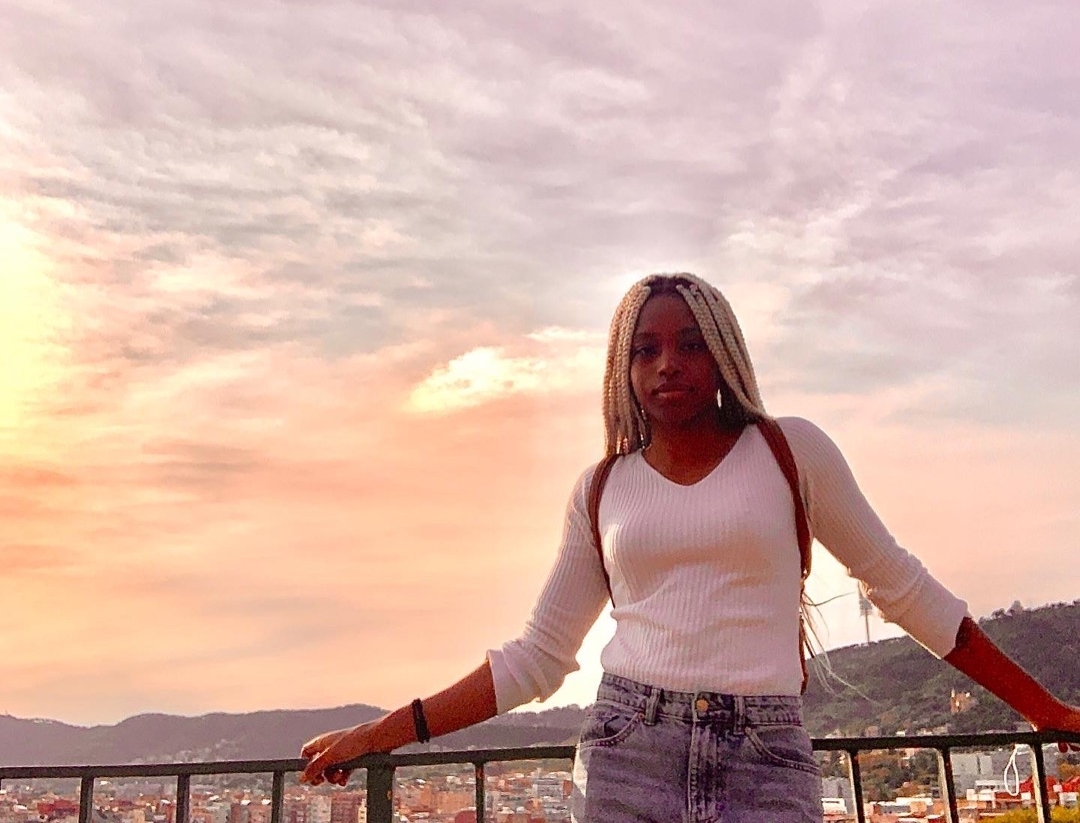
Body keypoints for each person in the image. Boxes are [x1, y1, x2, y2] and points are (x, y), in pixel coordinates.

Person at [299, 272, 1080, 821]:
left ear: (722, 357)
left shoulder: (791, 452)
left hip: (766, 756)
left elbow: (900, 587)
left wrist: (1042, 709)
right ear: (623, 367)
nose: (668, 363)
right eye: (646, 349)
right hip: (627, 752)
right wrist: (376, 734)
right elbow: (536, 658)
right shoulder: (601, 489)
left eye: (690, 344)